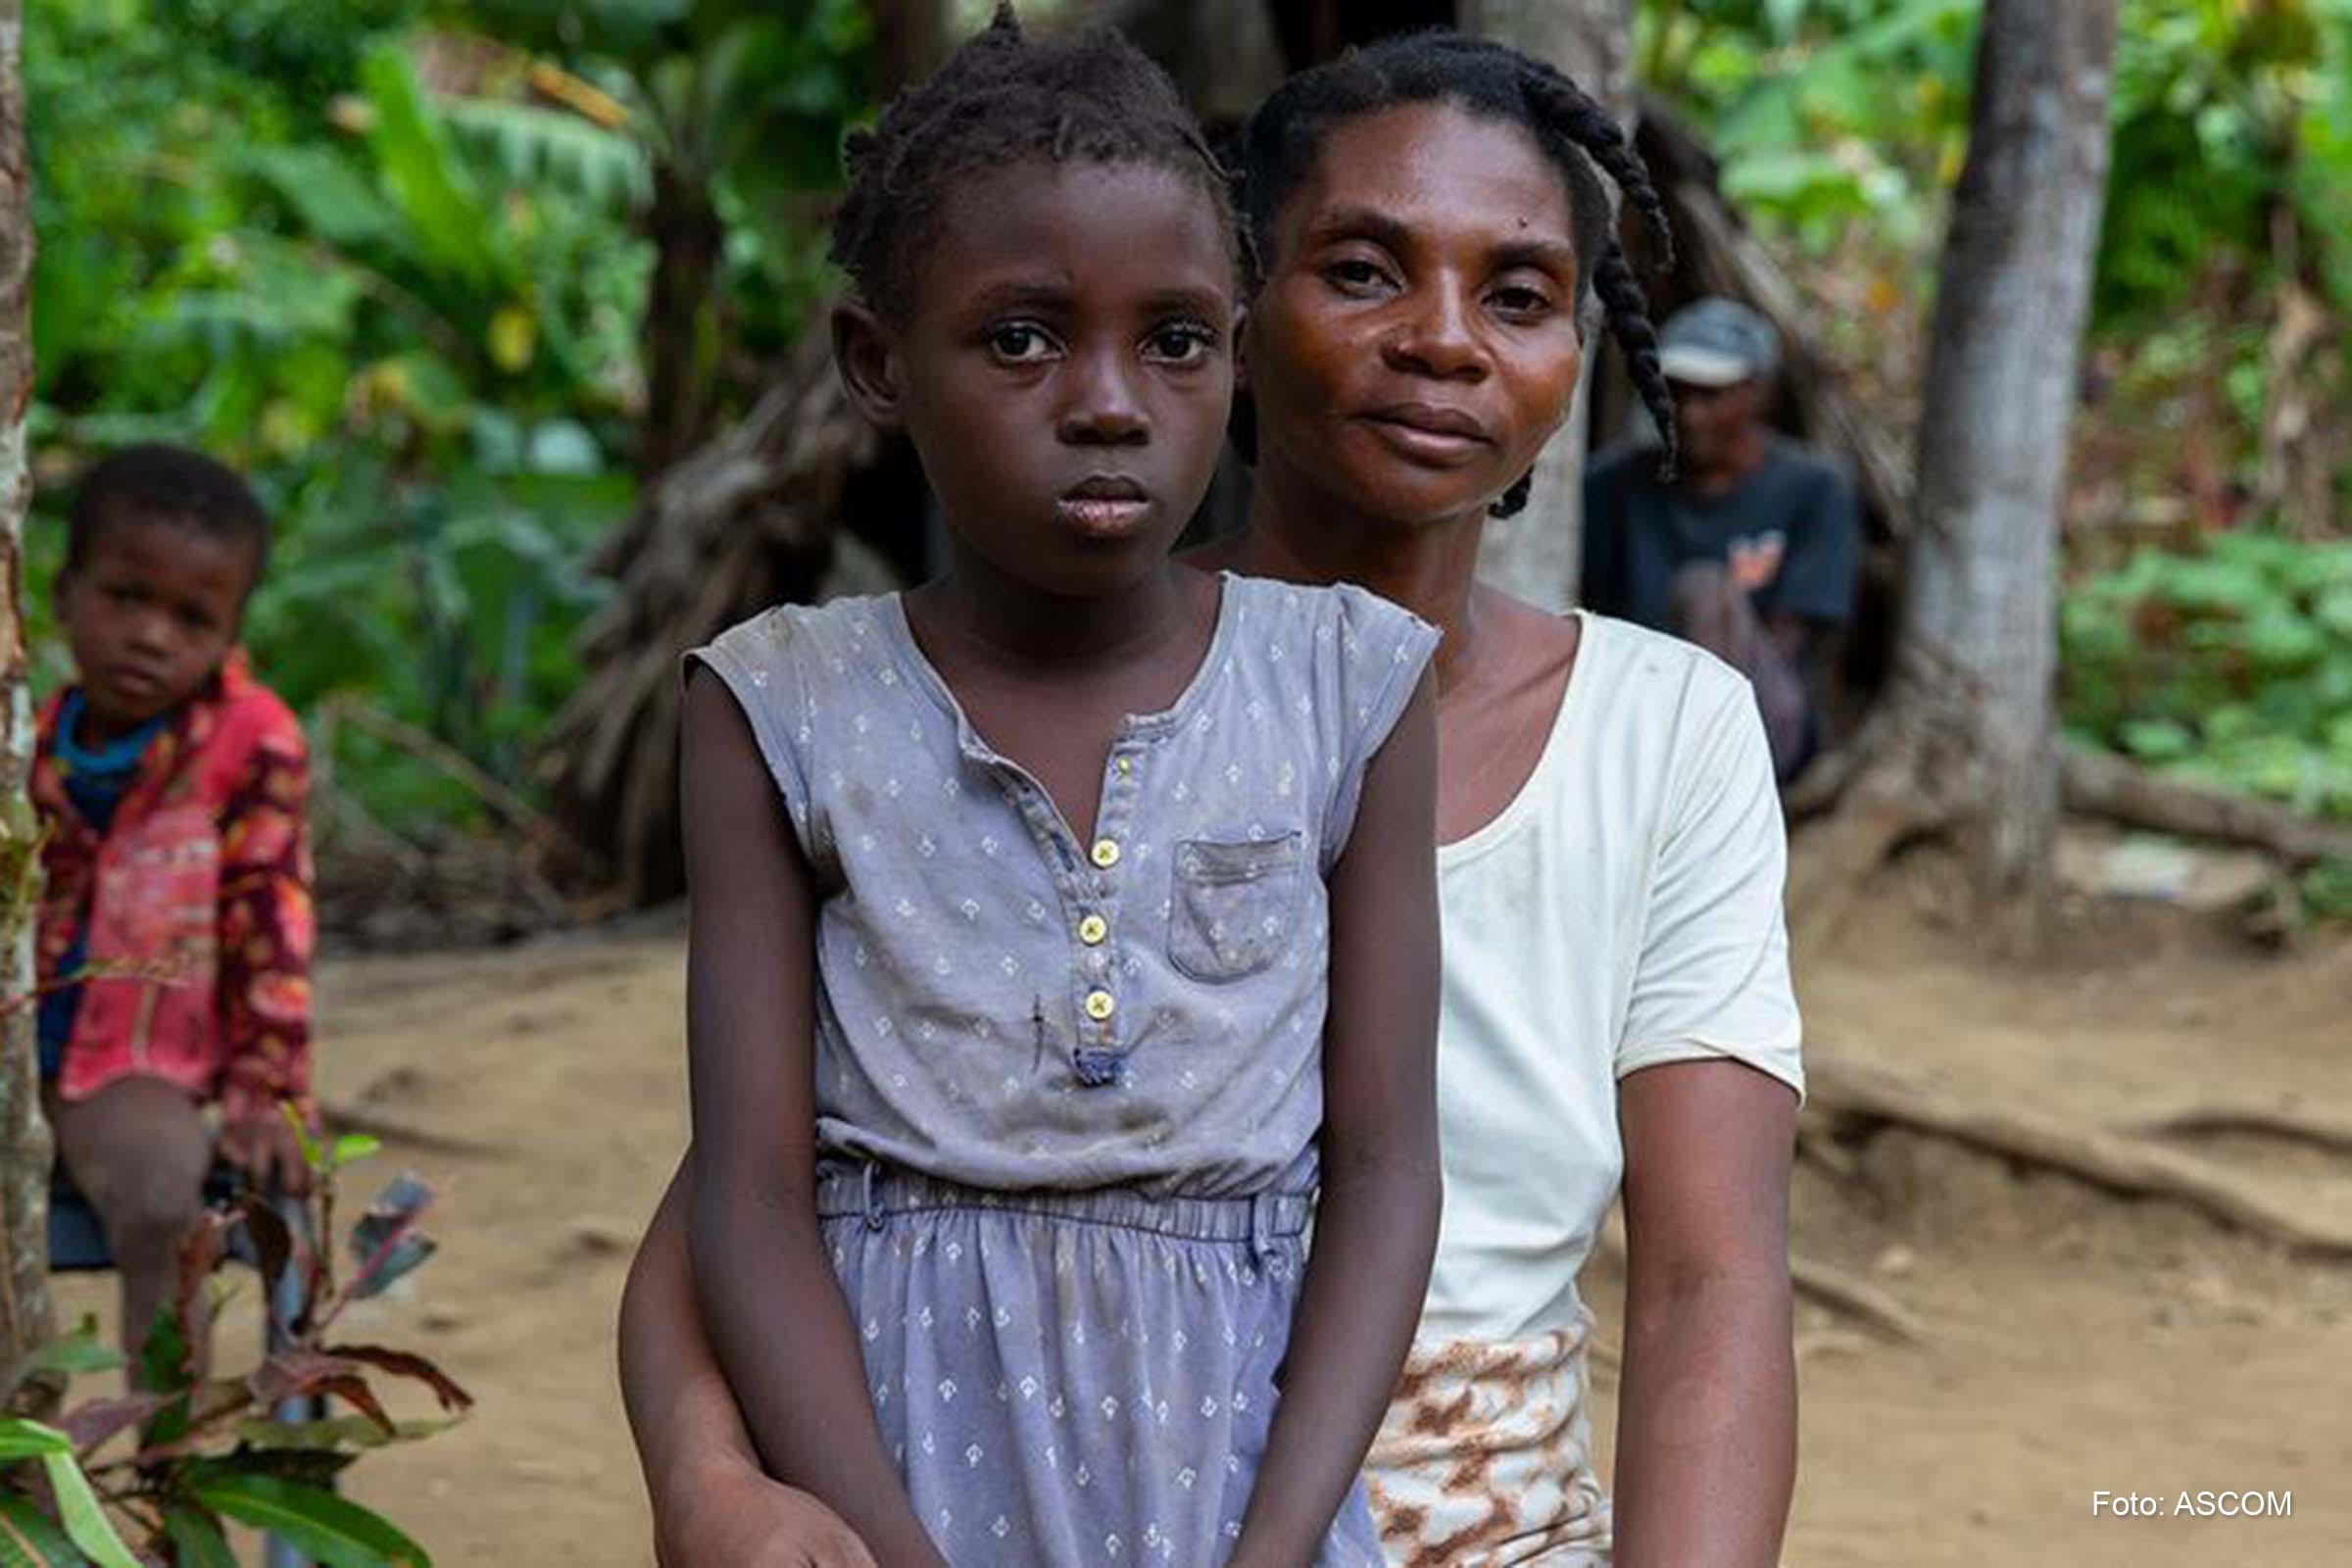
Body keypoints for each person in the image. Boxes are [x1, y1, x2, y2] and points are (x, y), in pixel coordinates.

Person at [621, 28, 1803, 1568]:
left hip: (1472, 1520)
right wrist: (711, 1476)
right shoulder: (993, 684)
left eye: (1516, 296)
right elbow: (763, 1185)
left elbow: (1713, 1281)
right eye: (1366, 271)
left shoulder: (1666, 732)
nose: (1443, 340)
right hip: (980, 1468)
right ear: (1250, 319)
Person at [674, 11, 1443, 1568]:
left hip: (1241, 1474)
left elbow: (1383, 1167)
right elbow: (748, 1198)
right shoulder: (779, 703)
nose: (1107, 401)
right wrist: (886, 1548)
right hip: (887, 1451)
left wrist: (1281, 1543)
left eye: (1174, 339)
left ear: (1232, 354)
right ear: (877, 364)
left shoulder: (1348, 686)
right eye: (1022, 337)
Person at [36, 443, 316, 1361]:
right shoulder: (28, 738)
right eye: (126, 598)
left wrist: (266, 1089)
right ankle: (22, 1478)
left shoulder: (249, 743)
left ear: (230, 630)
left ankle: (167, 1458)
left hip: (132, 1053)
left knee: (162, 1196)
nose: (153, 636)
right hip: (18, 1035)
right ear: (63, 593)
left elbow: (270, 920)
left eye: (191, 617)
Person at [1582, 296, 1860, 780]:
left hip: (1757, 720)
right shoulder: (1612, 484)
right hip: (1630, 706)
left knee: (1705, 590)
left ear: (1758, 392)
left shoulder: (1814, 489)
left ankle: (1699, 787)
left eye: (1711, 396)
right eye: (1678, 393)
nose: (1690, 415)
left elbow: (1794, 643)